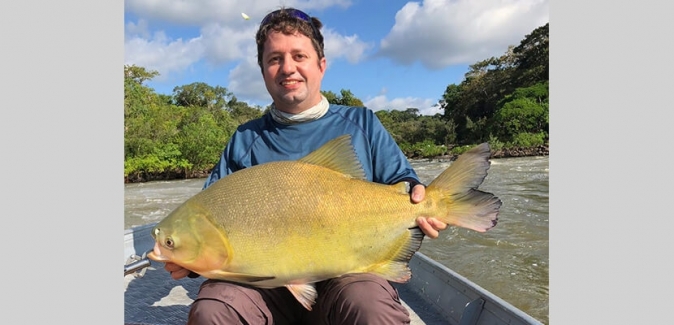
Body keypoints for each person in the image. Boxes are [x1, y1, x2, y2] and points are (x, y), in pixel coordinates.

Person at [162, 7, 448, 325]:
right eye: (274, 59)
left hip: (349, 274)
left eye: (299, 56)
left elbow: (403, 181)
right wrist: (186, 259)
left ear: (321, 65)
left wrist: (423, 202)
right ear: (262, 69)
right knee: (212, 310)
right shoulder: (245, 138)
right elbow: (209, 222)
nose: (288, 68)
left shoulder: (361, 123)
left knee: (372, 308)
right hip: (263, 287)